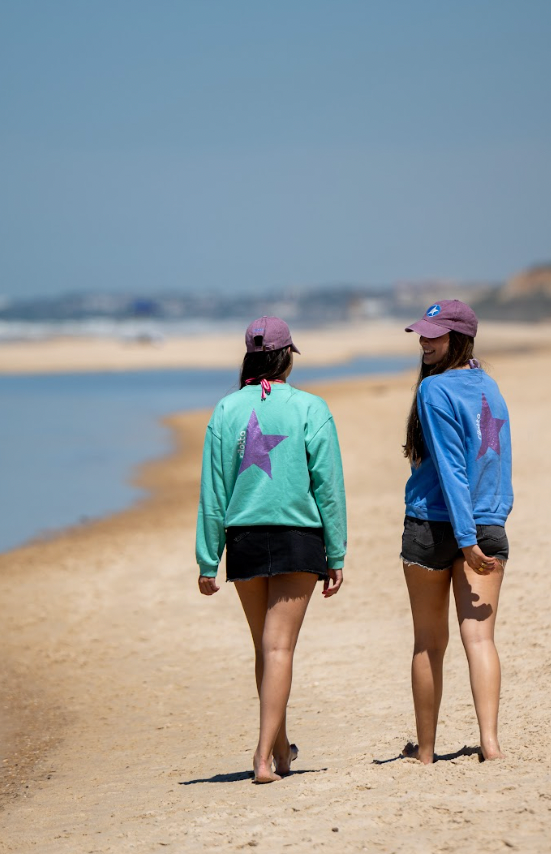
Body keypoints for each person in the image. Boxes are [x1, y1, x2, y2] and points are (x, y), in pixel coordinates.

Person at [196, 316, 347, 783]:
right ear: (286, 357)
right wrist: (336, 553)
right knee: (279, 647)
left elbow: (213, 492)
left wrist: (207, 558)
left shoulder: (225, 411)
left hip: (242, 539)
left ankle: (282, 753)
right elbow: (329, 487)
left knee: (266, 648)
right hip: (298, 538)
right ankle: (263, 758)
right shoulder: (311, 407)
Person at [399, 299, 513, 763]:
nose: (425, 341)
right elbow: (497, 464)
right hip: (486, 524)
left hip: (435, 524)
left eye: (435, 334)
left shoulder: (433, 391)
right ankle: (490, 744)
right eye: (422, 334)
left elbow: (449, 470)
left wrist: (466, 538)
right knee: (480, 638)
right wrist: (493, 520)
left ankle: (425, 753)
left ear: (459, 338)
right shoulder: (491, 387)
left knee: (430, 642)